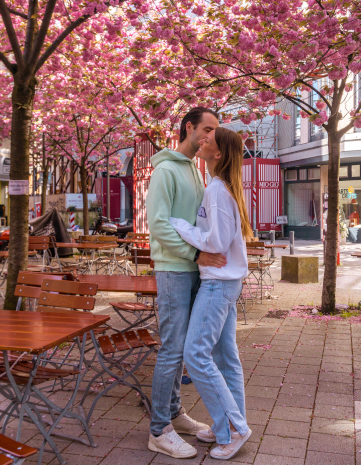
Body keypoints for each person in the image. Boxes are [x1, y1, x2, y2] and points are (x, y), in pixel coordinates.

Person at [146, 107, 227, 459]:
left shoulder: (195, 171)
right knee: (172, 350)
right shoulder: (165, 170)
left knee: (182, 350)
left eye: (215, 131)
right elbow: (159, 225)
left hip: (191, 270)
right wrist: (196, 256)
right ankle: (158, 430)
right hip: (173, 270)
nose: (211, 136)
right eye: (207, 129)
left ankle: (174, 414)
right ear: (189, 127)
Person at [170, 127, 253, 460]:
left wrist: (179, 225)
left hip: (218, 284)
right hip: (228, 283)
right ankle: (229, 427)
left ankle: (234, 428)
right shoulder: (223, 187)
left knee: (196, 355)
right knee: (224, 359)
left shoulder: (218, 190)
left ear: (218, 154)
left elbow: (216, 244)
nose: (201, 140)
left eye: (208, 139)